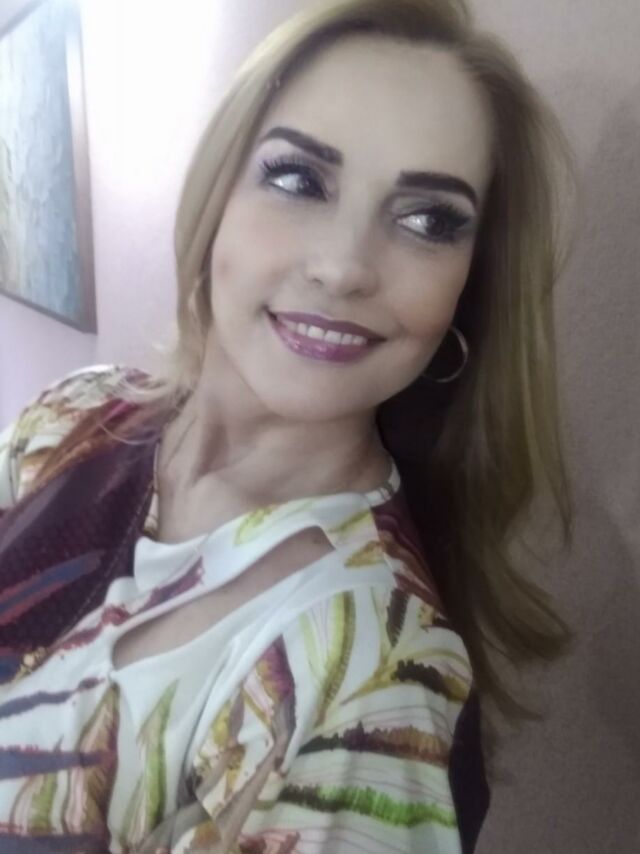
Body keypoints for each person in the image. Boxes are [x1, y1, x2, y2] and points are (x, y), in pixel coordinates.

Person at [0, 0, 576, 851]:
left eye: (427, 220)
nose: (343, 267)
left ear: (469, 285)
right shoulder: (73, 415)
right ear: (217, 196)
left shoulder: (375, 680)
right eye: (300, 180)